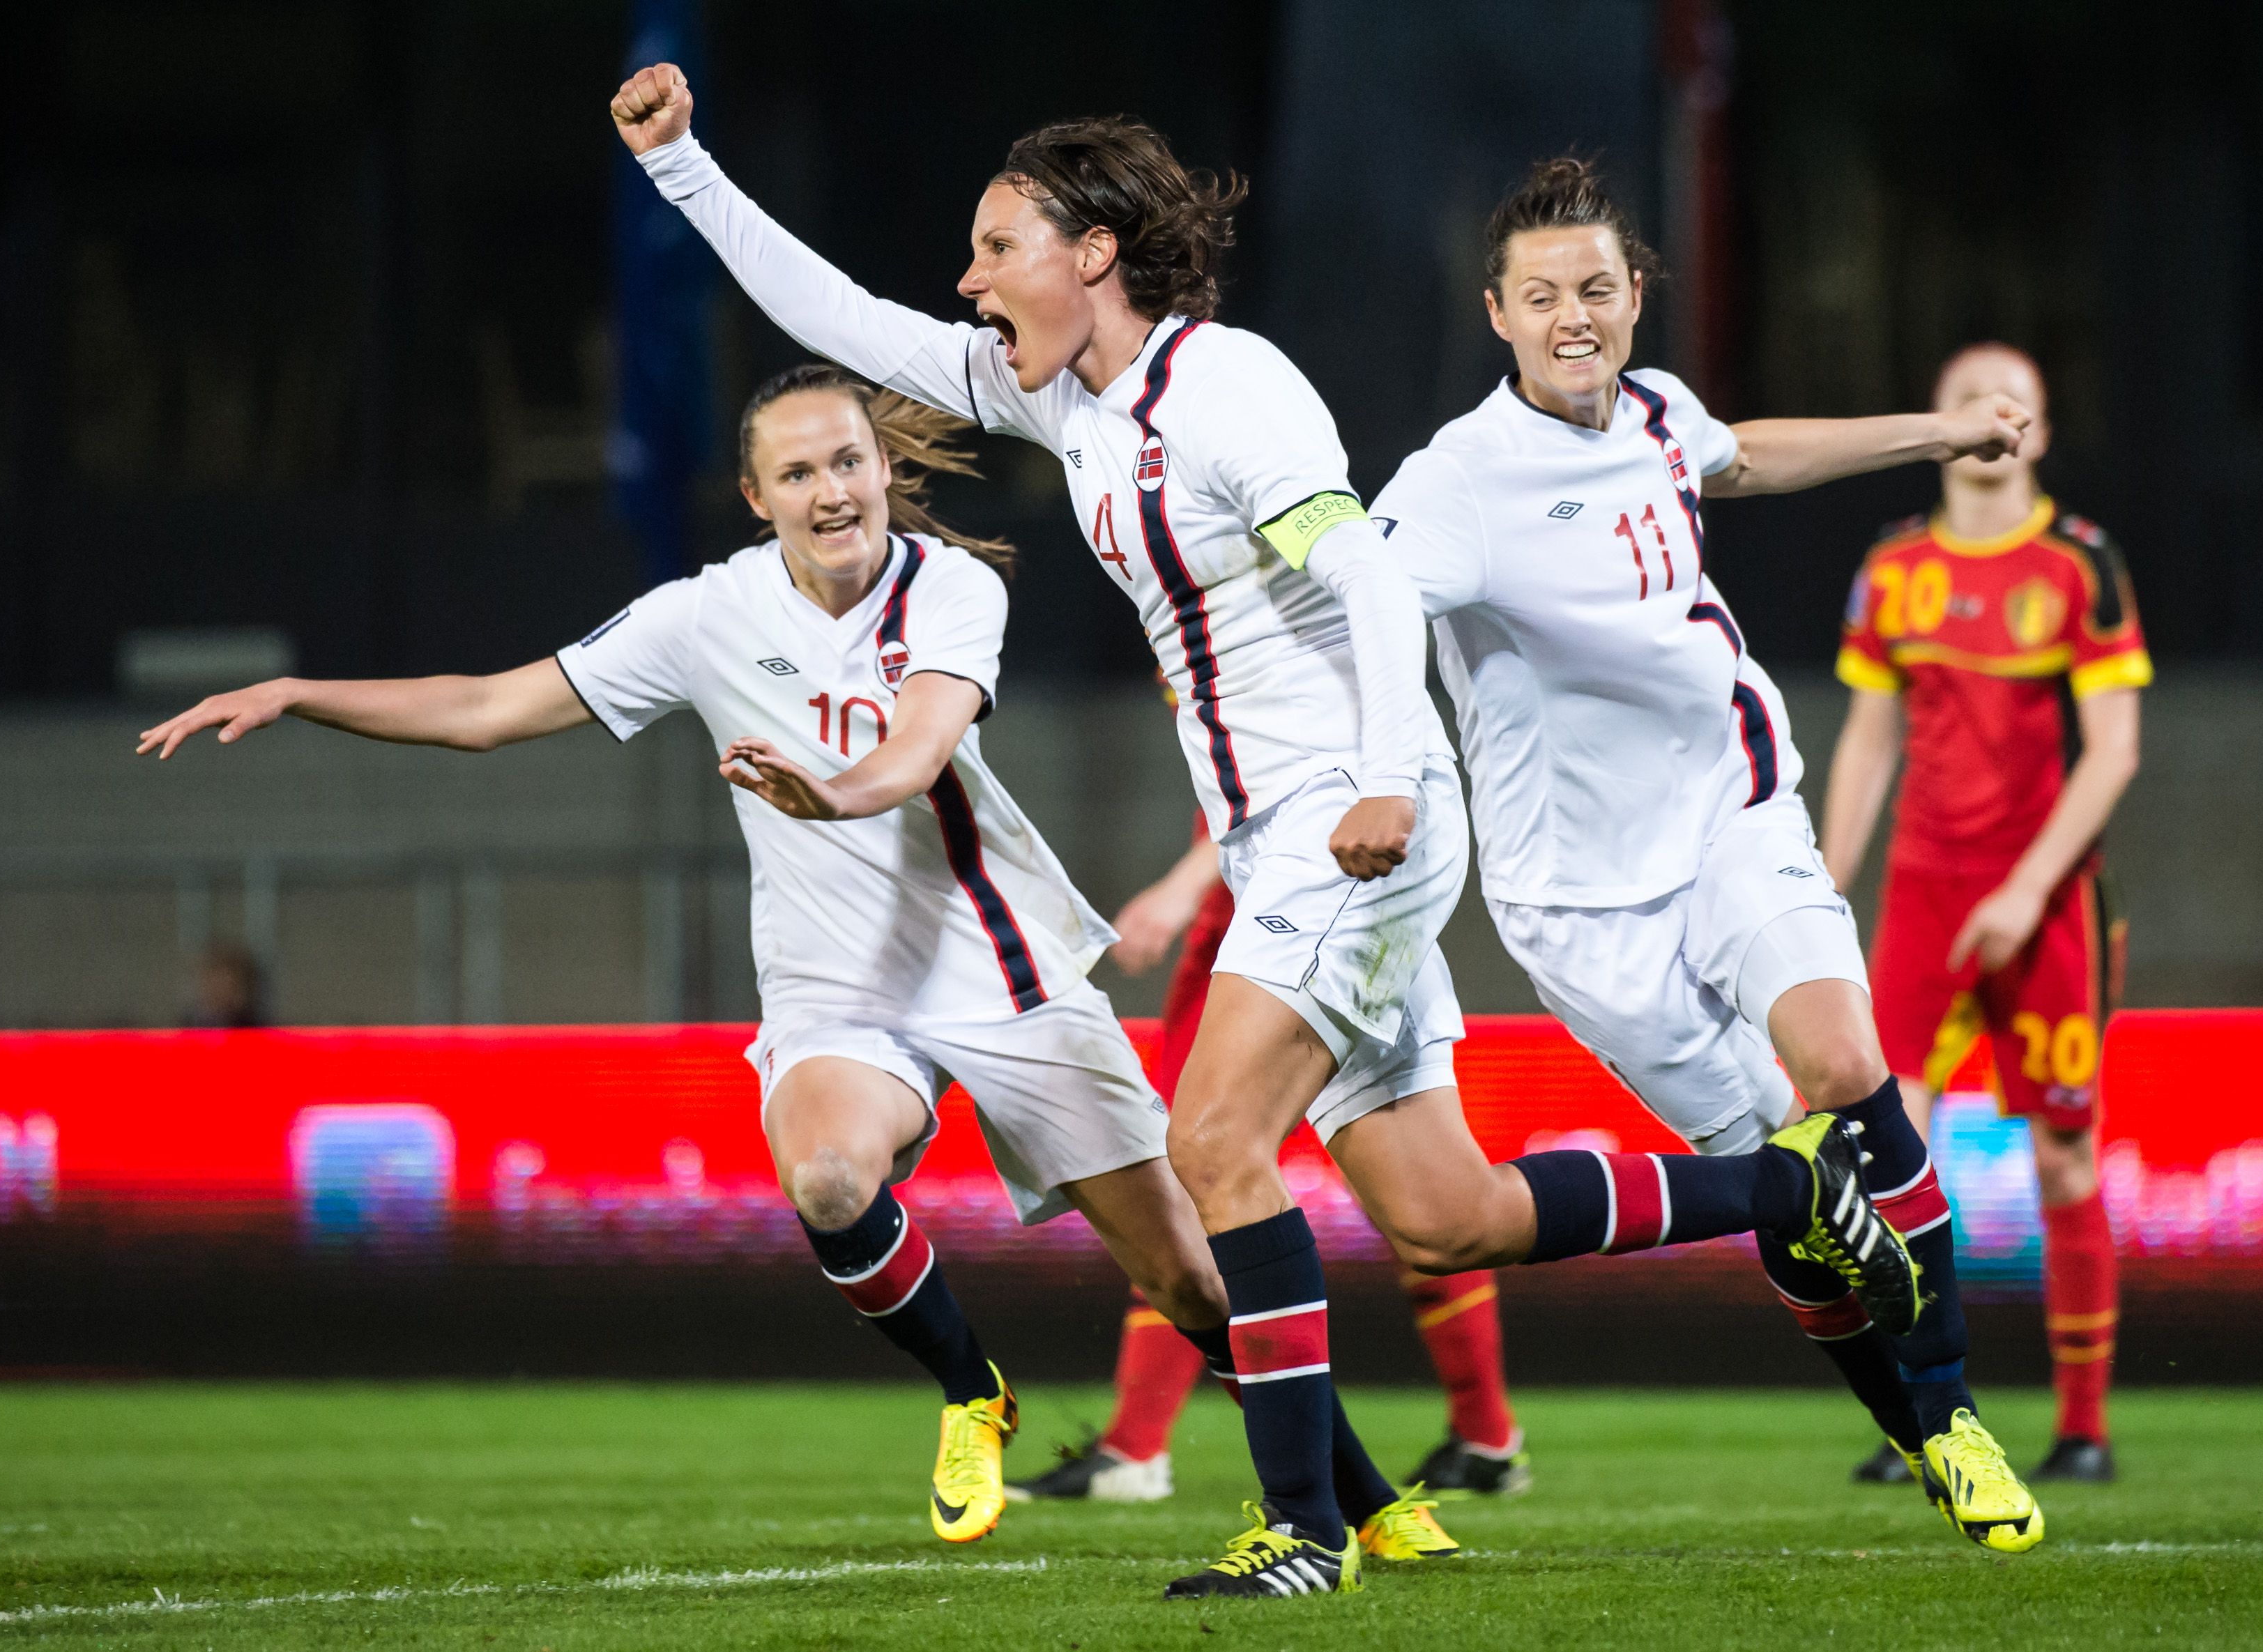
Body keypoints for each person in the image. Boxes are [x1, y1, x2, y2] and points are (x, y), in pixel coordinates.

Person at [610, 66, 1914, 1600]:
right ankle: (1785, 1188)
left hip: (1350, 819)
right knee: (1448, 1217)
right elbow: (847, 320)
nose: (969, 281)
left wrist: (1383, 776)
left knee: (1213, 1141)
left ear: (1091, 254)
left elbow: (1362, 578)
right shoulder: (1061, 394)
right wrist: (681, 166)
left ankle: (1305, 1531)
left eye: (997, 246)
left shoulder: (1229, 393)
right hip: (1284, 835)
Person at [139, 364, 1263, 1550]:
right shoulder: (704, 616)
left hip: (1001, 970)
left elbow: (916, 751)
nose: (831, 490)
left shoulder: (950, 586)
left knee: (1189, 1283)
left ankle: (1350, 1494)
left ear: (884, 469)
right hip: (838, 991)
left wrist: (832, 795)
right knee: (827, 1180)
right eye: (798, 472)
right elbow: (485, 710)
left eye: (848, 462)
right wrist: (300, 691)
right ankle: (971, 1392)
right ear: (756, 497)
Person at [1369, 158, 2051, 1554]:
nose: (1573, 317)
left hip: (1734, 813)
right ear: (1496, 314)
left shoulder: (1656, 411)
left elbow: (1739, 452)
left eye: (1597, 288)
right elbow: (1362, 598)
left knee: (1845, 1067)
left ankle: (1955, 1411)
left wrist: (1939, 433)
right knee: (1789, 1194)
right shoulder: (1455, 483)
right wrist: (1366, 756)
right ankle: (1911, 1429)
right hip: (1579, 902)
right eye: (1542, 297)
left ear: (1636, 295)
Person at [1823, 342, 2148, 1486]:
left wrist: (2024, 888)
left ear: (2041, 433)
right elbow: (1868, 739)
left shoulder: (2079, 565)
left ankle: (2082, 1430)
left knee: (2064, 1155)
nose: (1992, 416)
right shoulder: (1894, 567)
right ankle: (1921, 1416)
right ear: (1937, 421)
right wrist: (1823, 879)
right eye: (1970, 398)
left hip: (2047, 900)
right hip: (1922, 893)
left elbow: (2113, 751)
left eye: (2017, 402)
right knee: (1886, 1153)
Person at [1008, 820, 1529, 1506]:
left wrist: (1181, 886)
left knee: (1418, 1206)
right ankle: (1485, 1436)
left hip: (1289, 932)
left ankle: (1138, 1451)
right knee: (1390, 1202)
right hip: (1284, 926)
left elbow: (1278, 794)